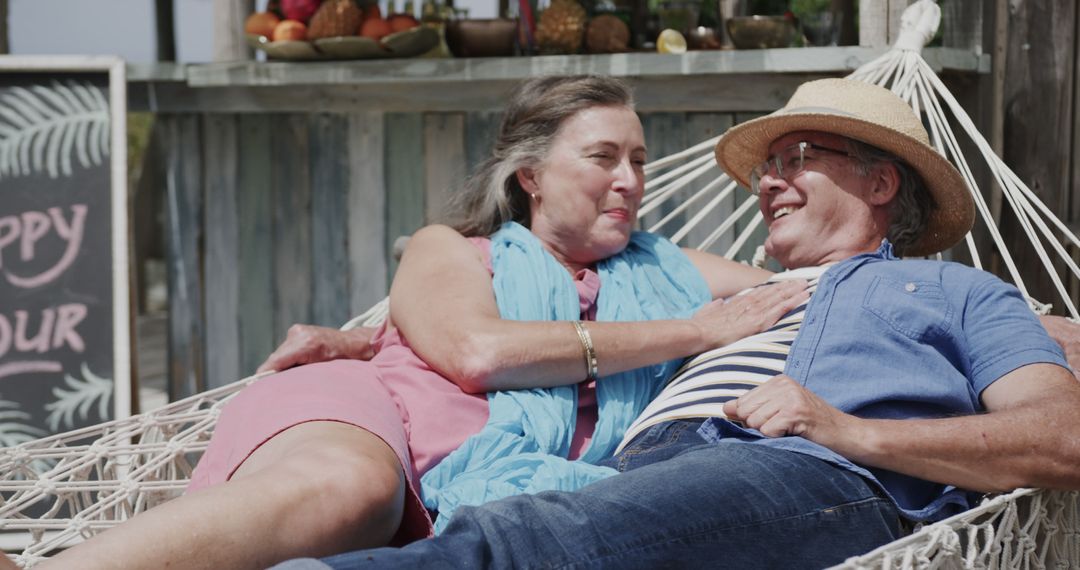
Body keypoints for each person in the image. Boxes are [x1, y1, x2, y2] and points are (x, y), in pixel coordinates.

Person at [275, 78, 1080, 569]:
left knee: (525, 541)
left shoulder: (955, 292)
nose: (768, 181)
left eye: (798, 156)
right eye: (768, 166)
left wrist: (854, 434)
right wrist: (367, 339)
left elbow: (1063, 436)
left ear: (878, 182)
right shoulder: (741, 298)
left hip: (808, 471)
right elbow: (547, 308)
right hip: (645, 480)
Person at [34, 76, 807, 570]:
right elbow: (475, 353)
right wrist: (700, 333)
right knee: (351, 489)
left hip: (490, 500)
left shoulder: (666, 270)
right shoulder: (456, 250)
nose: (631, 180)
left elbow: (809, 290)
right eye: (604, 157)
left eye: (639, 158)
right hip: (377, 422)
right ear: (530, 176)